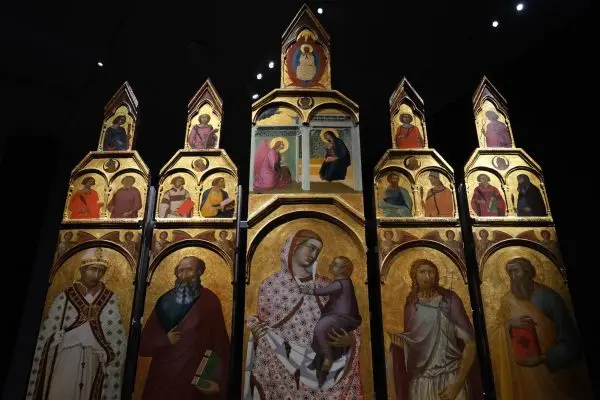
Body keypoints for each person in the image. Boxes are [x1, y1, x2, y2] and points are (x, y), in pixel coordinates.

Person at [244, 230, 364, 398]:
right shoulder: (271, 285)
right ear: (294, 247)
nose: (314, 254)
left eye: (318, 251)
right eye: (310, 247)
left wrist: (350, 339)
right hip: (280, 362)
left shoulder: (325, 285)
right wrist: (256, 332)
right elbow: (263, 327)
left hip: (322, 361)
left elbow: (346, 317)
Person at [27, 248, 126, 400]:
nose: (96, 275)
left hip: (93, 357)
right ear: (83, 269)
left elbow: (115, 332)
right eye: (93, 269)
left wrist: (107, 353)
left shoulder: (109, 299)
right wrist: (54, 339)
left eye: (101, 271)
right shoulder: (65, 297)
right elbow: (49, 330)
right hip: (66, 356)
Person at [489, 257, 588, 399]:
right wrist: (509, 324)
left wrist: (542, 358)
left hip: (550, 374)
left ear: (528, 272)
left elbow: (571, 343)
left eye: (516, 271)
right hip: (522, 375)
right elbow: (494, 334)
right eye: (509, 272)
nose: (512, 277)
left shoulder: (550, 298)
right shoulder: (507, 301)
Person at [139, 256, 230, 399]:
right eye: (180, 271)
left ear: (199, 272)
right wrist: (165, 340)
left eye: (189, 270)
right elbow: (143, 343)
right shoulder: (164, 301)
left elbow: (220, 344)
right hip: (163, 378)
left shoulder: (209, 300)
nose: (184, 276)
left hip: (194, 378)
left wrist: (216, 379)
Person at [389, 259, 481, 400]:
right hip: (422, 381)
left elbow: (471, 344)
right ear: (414, 276)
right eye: (422, 272)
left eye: (431, 272)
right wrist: (401, 342)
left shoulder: (450, 300)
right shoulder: (411, 305)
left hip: (451, 376)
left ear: (436, 276)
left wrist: (457, 384)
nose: (427, 276)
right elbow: (415, 343)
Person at [299, 256, 362, 387]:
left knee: (320, 328)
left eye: (335, 264)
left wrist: (309, 291)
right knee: (323, 335)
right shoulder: (341, 281)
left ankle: (328, 357)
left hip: (342, 317)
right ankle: (318, 361)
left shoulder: (341, 283)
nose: (331, 265)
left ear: (343, 270)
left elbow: (325, 291)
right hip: (336, 316)